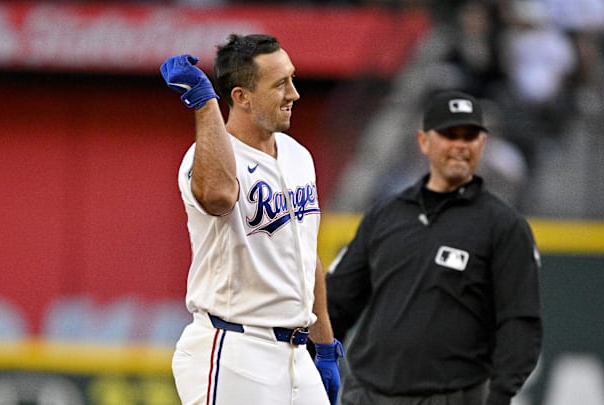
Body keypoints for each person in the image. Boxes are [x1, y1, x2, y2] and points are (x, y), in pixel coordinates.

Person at [159, 34, 343, 405]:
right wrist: (205, 103)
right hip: (235, 346)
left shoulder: (298, 155)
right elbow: (219, 196)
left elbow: (307, 258)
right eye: (280, 84)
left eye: (291, 78)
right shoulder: (205, 159)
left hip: (295, 351)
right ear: (241, 97)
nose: (294, 93)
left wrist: (324, 346)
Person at [326, 90, 542, 405]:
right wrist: (316, 360)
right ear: (424, 141)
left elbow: (520, 324)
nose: (460, 145)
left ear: (482, 144)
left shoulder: (504, 226)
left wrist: (499, 396)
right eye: (449, 134)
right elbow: (338, 302)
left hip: (451, 397)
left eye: (470, 136)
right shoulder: (386, 215)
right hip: (367, 394)